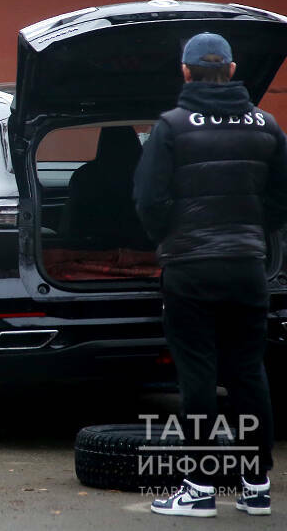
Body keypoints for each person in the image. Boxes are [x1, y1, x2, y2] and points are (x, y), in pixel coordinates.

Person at [134, 32, 287, 517]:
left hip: (190, 269)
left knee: (197, 374)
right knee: (247, 372)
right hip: (247, 268)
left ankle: (198, 488)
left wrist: (172, 238)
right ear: (233, 68)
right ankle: (256, 486)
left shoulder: (172, 127)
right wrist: (251, 231)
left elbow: (148, 200)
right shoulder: (267, 125)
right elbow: (281, 199)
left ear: (186, 71)